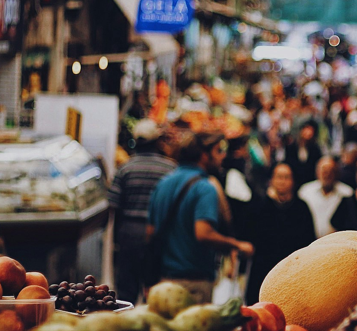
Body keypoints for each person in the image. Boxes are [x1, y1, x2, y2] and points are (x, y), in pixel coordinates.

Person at [147, 132, 254, 303]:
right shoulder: (205, 188)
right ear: (204, 155)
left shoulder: (163, 183)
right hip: (193, 284)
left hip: (164, 282)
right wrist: (236, 245)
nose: (223, 156)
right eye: (218, 151)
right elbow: (204, 233)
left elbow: (150, 232)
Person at [108, 119, 177, 303]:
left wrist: (115, 241)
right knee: (156, 291)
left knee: (126, 291)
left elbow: (114, 206)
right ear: (156, 142)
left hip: (129, 234)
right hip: (160, 236)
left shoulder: (125, 168)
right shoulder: (169, 168)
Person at [246, 164, 316, 304]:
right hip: (262, 270)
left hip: (291, 272)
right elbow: (249, 234)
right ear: (271, 180)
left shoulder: (301, 207)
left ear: (293, 181)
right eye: (278, 177)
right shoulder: (260, 204)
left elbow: (309, 241)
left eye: (286, 177)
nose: (282, 181)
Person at [299, 156, 357, 236]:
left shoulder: (347, 193)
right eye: (324, 170)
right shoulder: (305, 192)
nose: (327, 174)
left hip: (337, 242)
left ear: (337, 173)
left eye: (331, 171)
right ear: (317, 172)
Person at [286, 121, 322, 186]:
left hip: (310, 182)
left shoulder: (315, 149)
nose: (308, 133)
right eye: (306, 129)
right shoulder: (291, 148)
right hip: (294, 181)